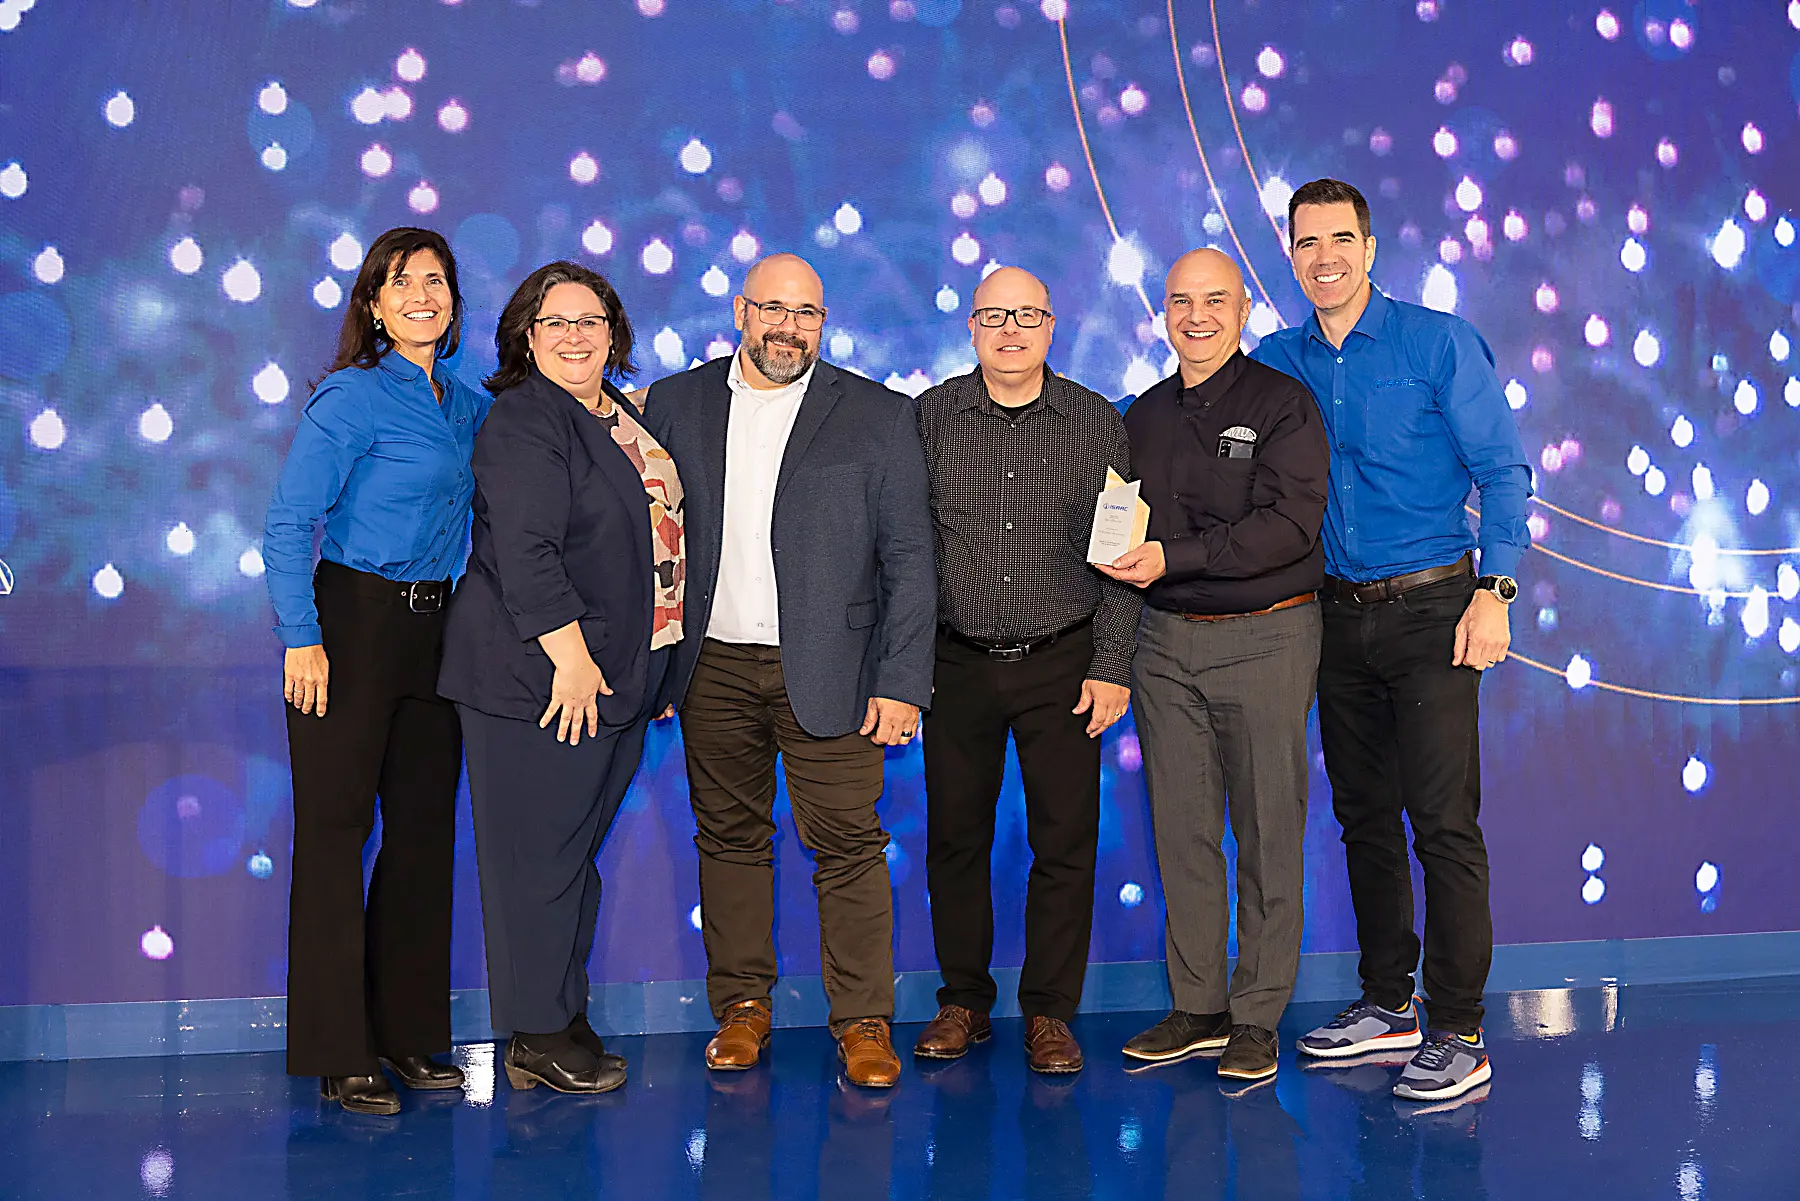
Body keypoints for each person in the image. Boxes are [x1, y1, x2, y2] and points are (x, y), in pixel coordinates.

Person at [1250, 178, 1531, 1102]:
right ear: (1291, 256)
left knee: (1442, 821)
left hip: (1434, 611)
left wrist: (1495, 591)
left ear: (1370, 248)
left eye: (1341, 239)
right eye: (1306, 242)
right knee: (1363, 816)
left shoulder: (1437, 342)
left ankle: (1459, 1029)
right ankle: (1387, 1003)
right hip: (1333, 618)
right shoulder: (1276, 361)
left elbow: (1503, 471)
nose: (1324, 257)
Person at [639, 253, 935, 1089]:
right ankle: (741, 1007)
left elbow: (911, 559)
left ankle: (864, 1021)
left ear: (823, 322)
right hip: (711, 669)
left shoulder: (879, 414)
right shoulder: (676, 402)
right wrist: (651, 664)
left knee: (849, 846)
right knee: (729, 840)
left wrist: (902, 680)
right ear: (741, 311)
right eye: (773, 308)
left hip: (837, 671)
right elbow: (644, 537)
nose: (788, 327)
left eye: (805, 313)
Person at [438, 261, 685, 1095]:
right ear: (526, 336)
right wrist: (572, 662)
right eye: (556, 322)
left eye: (590, 321)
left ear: (613, 335)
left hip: (617, 676)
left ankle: (562, 1014)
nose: (575, 336)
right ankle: (536, 1035)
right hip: (541, 682)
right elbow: (527, 552)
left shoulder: (615, 413)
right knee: (537, 863)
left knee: (572, 860)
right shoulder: (524, 419)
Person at [263, 227, 489, 1115]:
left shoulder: (467, 405)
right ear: (374, 305)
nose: (421, 295)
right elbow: (289, 523)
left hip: (438, 633)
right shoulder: (351, 398)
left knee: (424, 836)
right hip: (349, 627)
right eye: (401, 283)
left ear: (453, 300)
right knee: (334, 835)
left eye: (435, 280)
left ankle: (406, 1033)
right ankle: (339, 1048)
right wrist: (301, 636)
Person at [1099, 249, 1329, 1085]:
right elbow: (1118, 523)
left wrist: (1177, 555)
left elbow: (1290, 526)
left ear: (1242, 312)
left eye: (1214, 301)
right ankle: (1197, 1006)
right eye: (1181, 301)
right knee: (1182, 829)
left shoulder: (1283, 404)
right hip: (1164, 643)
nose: (1197, 316)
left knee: (1268, 829)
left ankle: (1257, 1015)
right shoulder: (1143, 414)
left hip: (1266, 636)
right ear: (1163, 312)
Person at [911, 266, 1139, 1075]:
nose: (1011, 329)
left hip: (1065, 662)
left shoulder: (1097, 421)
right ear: (972, 326)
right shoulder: (930, 417)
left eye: (1028, 315)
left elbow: (1122, 555)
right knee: (955, 841)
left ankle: (1050, 1012)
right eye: (995, 315)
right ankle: (963, 1002)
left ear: (1052, 326)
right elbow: (904, 550)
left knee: (1065, 843)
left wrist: (1112, 663)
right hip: (955, 663)